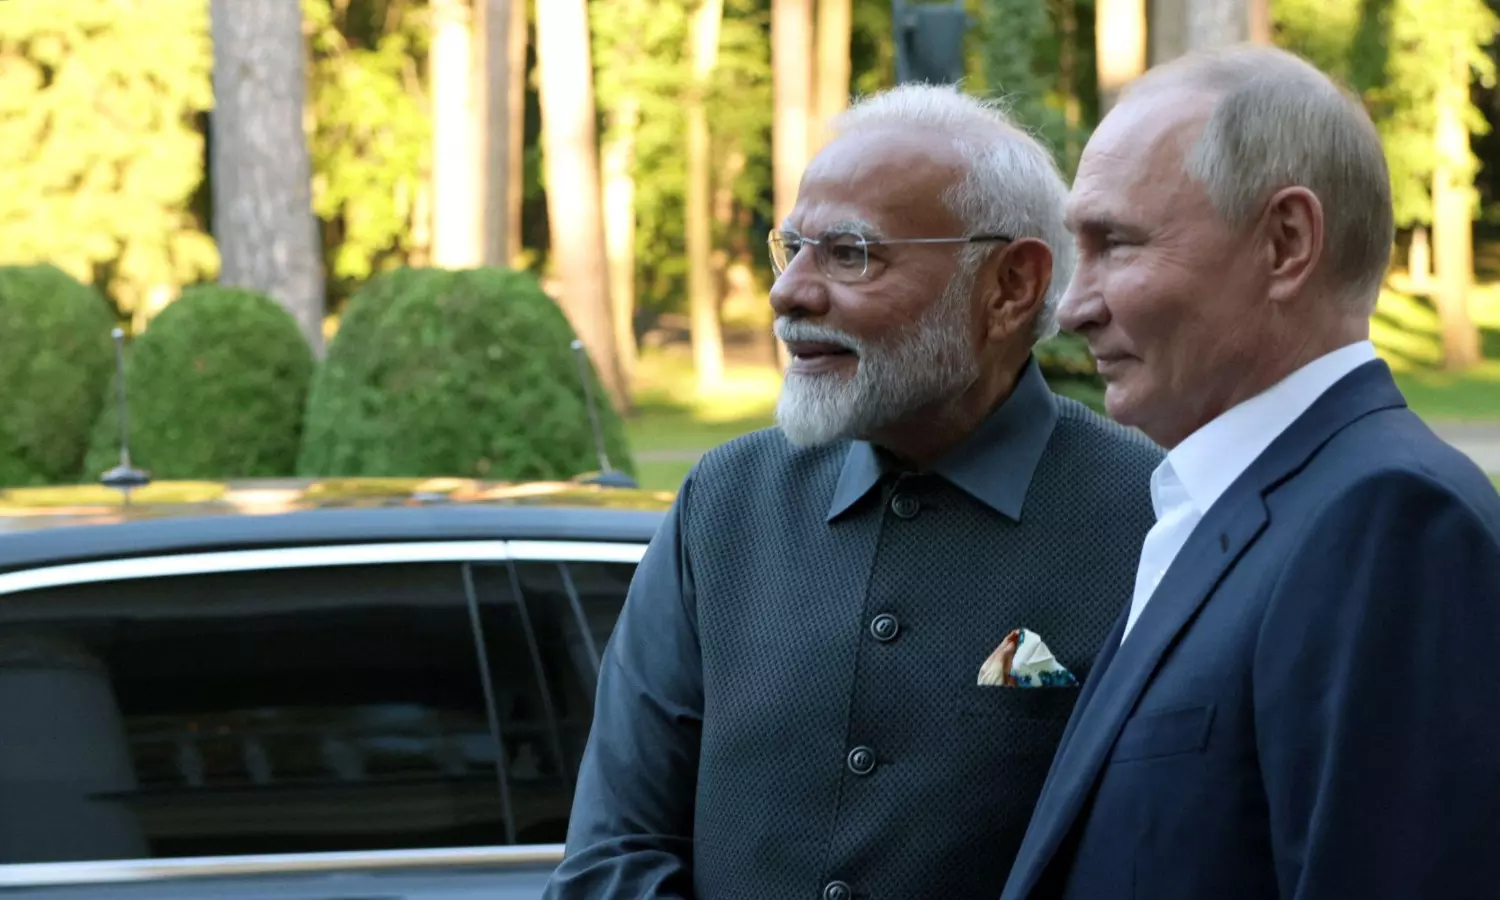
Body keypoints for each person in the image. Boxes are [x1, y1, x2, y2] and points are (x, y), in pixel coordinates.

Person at [542, 84, 1163, 900]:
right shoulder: (722, 506)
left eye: (850, 254)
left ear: (1011, 285)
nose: (788, 292)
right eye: (793, 248)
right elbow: (614, 853)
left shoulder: (1153, 523)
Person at [1001, 45, 1500, 900]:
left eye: (1115, 243)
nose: (1073, 307)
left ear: (1285, 244)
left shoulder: (1386, 522)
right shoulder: (1242, 505)